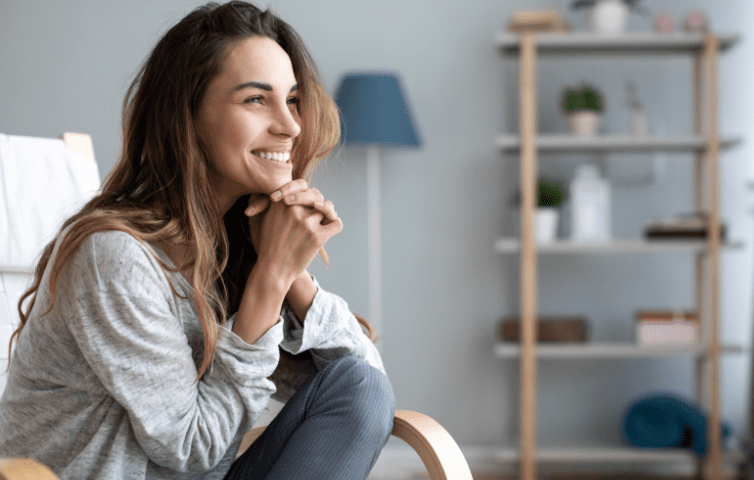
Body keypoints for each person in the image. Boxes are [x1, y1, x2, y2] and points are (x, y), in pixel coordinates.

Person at [0, 2, 395, 479]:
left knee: (358, 385)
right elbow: (192, 450)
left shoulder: (239, 247)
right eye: (255, 99)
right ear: (187, 117)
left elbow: (364, 388)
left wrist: (292, 276)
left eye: (292, 100)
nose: (290, 126)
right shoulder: (115, 255)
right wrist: (270, 279)